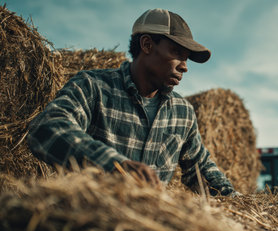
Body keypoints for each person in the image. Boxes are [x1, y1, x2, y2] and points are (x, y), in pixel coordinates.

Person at [27, 8, 236, 196]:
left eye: (187, 58)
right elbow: (47, 128)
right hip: (90, 223)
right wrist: (116, 167)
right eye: (177, 53)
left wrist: (238, 205)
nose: (185, 67)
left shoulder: (183, 112)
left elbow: (202, 170)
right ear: (147, 45)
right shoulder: (93, 87)